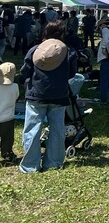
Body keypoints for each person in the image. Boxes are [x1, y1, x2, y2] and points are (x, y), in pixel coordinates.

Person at [18, 21, 77, 173]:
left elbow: (25, 71)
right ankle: (53, 163)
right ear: (62, 33)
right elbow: (72, 73)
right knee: (57, 129)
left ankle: (30, 165)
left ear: (45, 32)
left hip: (36, 93)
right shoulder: (69, 52)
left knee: (32, 129)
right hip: (59, 95)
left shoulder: (35, 50)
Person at [0, 62, 19, 164]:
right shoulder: (15, 86)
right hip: (8, 119)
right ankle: (7, 154)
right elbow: (16, 97)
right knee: (7, 138)